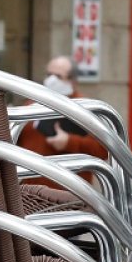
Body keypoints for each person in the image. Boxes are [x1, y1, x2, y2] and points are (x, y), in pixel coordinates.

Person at [17, 55, 108, 188]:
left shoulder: (85, 108)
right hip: (31, 194)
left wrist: (69, 142)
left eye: (58, 76)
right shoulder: (32, 104)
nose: (51, 80)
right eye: (49, 74)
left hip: (69, 194)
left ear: (73, 81)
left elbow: (102, 150)